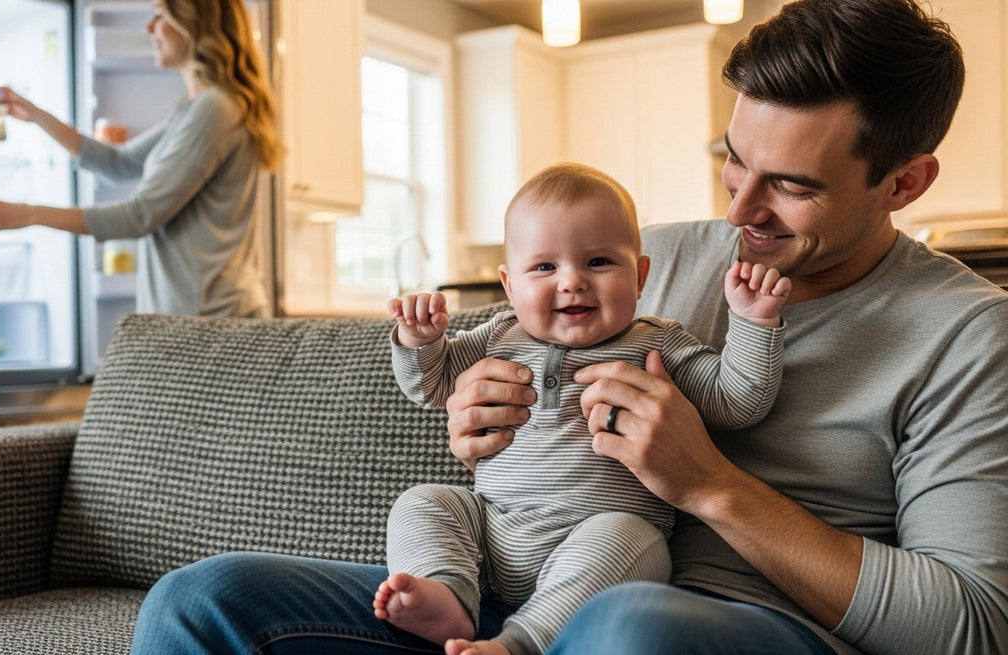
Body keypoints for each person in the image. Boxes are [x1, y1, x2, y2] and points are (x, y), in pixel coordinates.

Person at [128, 1, 1008, 654]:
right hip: (520, 582)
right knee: (202, 598)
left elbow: (972, 624)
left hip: (729, 621)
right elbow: (485, 347)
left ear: (905, 182)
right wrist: (466, 399)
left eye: (792, 186)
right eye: (732, 162)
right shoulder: (637, 254)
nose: (738, 211)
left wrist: (707, 484)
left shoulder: (968, 335)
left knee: (625, 623)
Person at [376, 163, 790, 655]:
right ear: (509, 286)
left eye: (597, 262)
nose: (571, 282)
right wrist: (418, 338)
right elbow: (431, 385)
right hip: (489, 529)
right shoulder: (497, 336)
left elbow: (736, 400)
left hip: (598, 536)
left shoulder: (658, 344)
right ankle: (447, 594)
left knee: (631, 539)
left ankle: (519, 644)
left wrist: (752, 323)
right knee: (422, 502)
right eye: (544, 267)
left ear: (640, 277)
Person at [0, 0, 282, 318]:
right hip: (202, 314)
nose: (149, 29)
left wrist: (29, 214)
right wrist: (35, 114)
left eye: (160, 16)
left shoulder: (214, 109)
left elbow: (140, 216)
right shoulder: (197, 107)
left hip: (216, 318)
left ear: (194, 25)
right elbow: (118, 165)